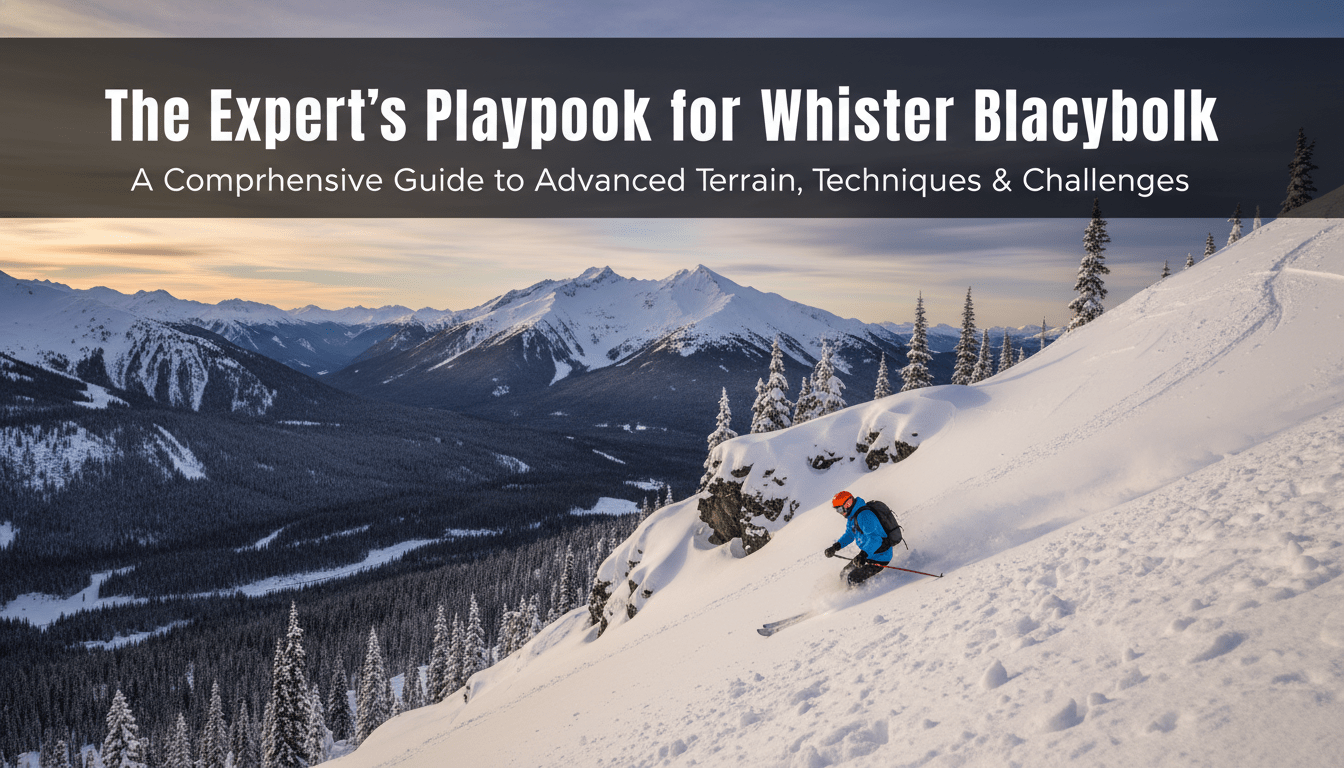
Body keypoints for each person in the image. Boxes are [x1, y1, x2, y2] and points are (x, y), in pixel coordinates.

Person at [823, 490, 893, 586]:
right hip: (868, 555)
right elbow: (849, 535)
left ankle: (859, 597)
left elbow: (876, 539)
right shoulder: (852, 517)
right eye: (837, 510)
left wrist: (863, 555)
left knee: (852, 578)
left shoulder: (864, 516)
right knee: (844, 573)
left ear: (847, 505)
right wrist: (835, 547)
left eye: (840, 509)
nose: (840, 513)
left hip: (880, 556)